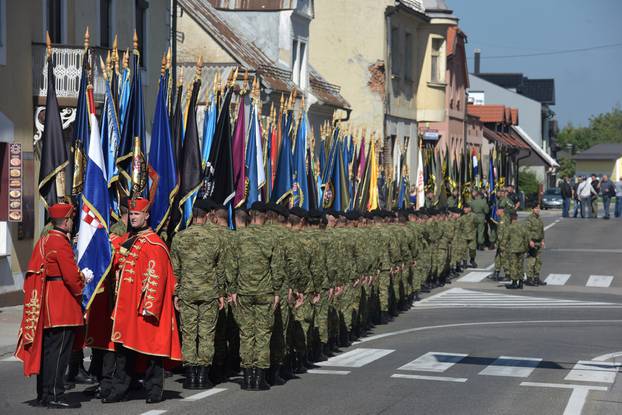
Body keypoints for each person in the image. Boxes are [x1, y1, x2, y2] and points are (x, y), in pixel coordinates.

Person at [105, 197, 182, 404]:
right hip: (125, 307)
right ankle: (120, 388)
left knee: (151, 350)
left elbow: (157, 277)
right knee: (123, 349)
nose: (133, 217)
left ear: (146, 216)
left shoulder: (154, 243)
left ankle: (154, 390)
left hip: (143, 308)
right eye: (131, 214)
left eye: (137, 214)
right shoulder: (130, 238)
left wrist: (150, 307)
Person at [15, 203, 84, 409]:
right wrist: (83, 280)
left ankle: (43, 394)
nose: (72, 222)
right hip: (61, 305)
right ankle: (55, 394)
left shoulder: (44, 240)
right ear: (66, 221)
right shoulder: (61, 243)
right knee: (59, 354)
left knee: (47, 353)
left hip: (47, 304)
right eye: (71, 219)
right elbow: (71, 278)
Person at [170, 199, 228, 390]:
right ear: (207, 216)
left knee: (188, 334)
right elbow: (220, 269)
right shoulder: (215, 238)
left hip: (187, 291)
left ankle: (190, 376)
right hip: (209, 292)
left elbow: (175, 270)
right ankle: (202, 376)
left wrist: (176, 293)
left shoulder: (179, 237)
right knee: (206, 334)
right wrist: (221, 293)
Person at [505, 212, 528, 289]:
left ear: (510, 218)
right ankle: (521, 282)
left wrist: (504, 248)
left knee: (513, 265)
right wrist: (525, 248)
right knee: (520, 265)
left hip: (513, 249)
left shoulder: (510, 227)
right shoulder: (522, 226)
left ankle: (514, 282)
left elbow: (505, 238)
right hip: (521, 249)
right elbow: (526, 237)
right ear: (517, 218)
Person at [525, 205, 546, 286]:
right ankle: (529, 279)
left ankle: (536, 278)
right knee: (531, 261)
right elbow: (527, 231)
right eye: (536, 208)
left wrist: (543, 240)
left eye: (538, 208)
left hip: (538, 243)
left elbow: (542, 231)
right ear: (532, 209)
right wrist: (530, 240)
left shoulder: (539, 219)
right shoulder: (529, 219)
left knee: (538, 261)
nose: (538, 210)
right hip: (532, 242)